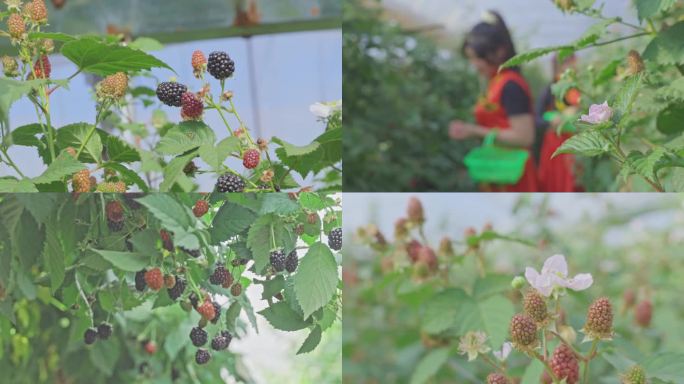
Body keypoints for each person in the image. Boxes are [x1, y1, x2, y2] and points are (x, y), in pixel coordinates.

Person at [449, 10, 538, 192]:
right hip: (497, 170)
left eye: (477, 58)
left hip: (513, 175)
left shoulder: (511, 86)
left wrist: (474, 130)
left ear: (499, 52)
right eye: (471, 58)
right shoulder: (496, 81)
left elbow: (525, 137)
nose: (474, 65)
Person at [536, 54, 581, 192]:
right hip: (554, 143)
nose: (571, 67)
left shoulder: (578, 89)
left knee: (574, 179)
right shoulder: (550, 90)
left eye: (572, 63)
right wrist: (550, 120)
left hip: (576, 142)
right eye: (566, 63)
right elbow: (536, 118)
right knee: (555, 180)